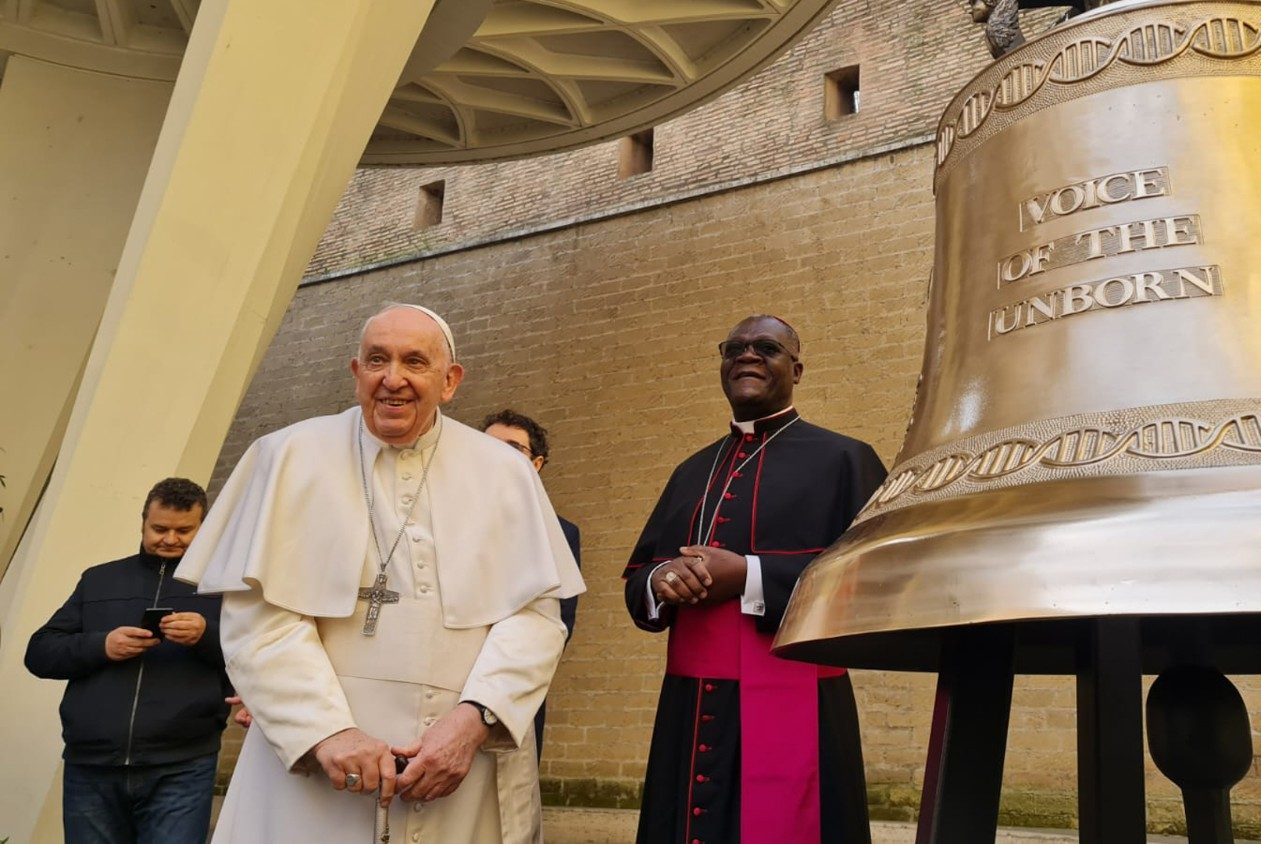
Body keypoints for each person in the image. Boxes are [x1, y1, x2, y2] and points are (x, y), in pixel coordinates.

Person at [177, 303, 585, 844]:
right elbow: (259, 621)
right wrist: (327, 732)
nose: (393, 379)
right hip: (317, 778)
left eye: (415, 362)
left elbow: (535, 619)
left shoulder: (505, 472)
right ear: (356, 373)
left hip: (460, 768)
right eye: (377, 360)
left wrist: (473, 723)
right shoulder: (287, 456)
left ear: (450, 381)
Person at [623, 315, 887, 844]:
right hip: (691, 705)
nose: (747, 356)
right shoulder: (690, 470)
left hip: (799, 699)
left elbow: (876, 573)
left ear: (797, 367)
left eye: (766, 347)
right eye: (734, 348)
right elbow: (638, 573)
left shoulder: (844, 458)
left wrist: (749, 574)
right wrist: (662, 581)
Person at [25, 477, 231, 844]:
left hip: (182, 766)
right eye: (159, 528)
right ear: (142, 524)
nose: (170, 539)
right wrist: (102, 645)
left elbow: (253, 659)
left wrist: (206, 636)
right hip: (92, 767)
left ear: (204, 526)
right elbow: (39, 653)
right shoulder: (99, 580)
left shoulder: (223, 587)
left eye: (184, 530)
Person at [481, 409, 583, 755]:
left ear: (536, 463)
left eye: (513, 447)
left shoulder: (561, 533)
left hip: (513, 688)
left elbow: (559, 620)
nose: (497, 454)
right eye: (487, 444)